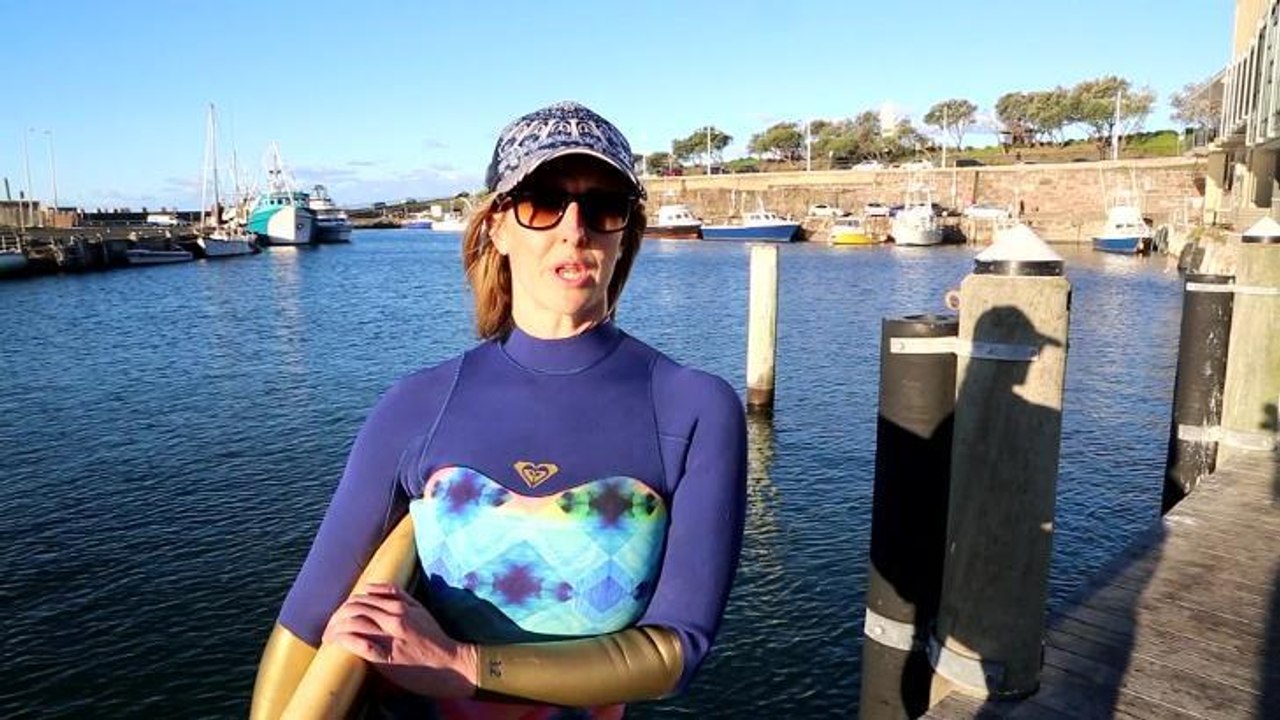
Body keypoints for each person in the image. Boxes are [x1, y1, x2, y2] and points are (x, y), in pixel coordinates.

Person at [252, 101, 747, 718]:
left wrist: (460, 665)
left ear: (627, 235)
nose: (574, 229)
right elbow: (305, 623)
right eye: (542, 200)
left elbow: (676, 652)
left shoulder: (693, 406)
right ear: (498, 226)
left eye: (603, 205)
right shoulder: (417, 405)